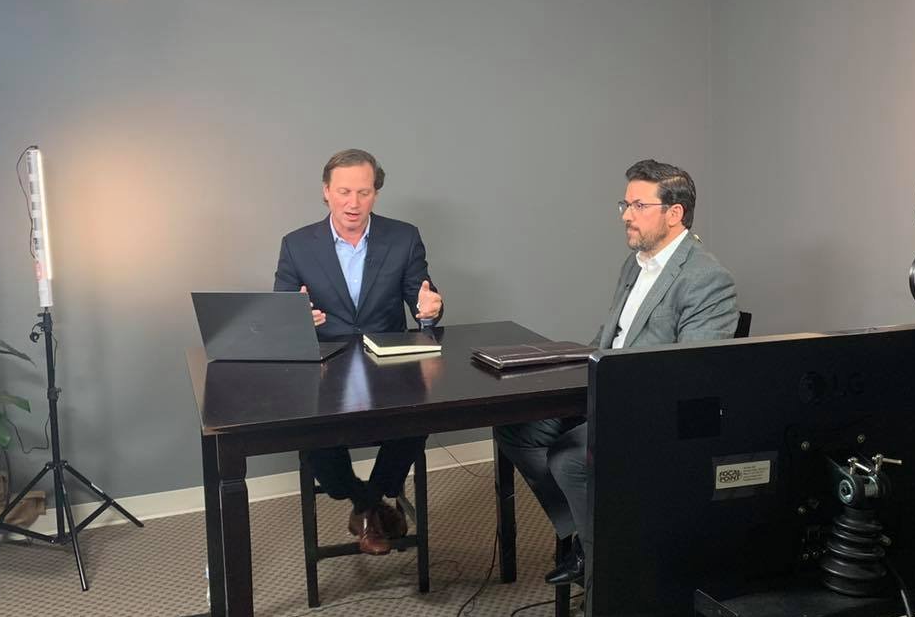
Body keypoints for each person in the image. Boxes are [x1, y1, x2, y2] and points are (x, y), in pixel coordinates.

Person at [494, 159, 738, 586]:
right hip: (605, 390)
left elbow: (693, 378)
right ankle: (589, 538)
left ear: (674, 213)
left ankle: (605, 566)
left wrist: (612, 390)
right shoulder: (636, 262)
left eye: (638, 205)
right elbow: (611, 339)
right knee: (516, 429)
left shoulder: (707, 279)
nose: (626, 215)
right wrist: (561, 368)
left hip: (649, 411)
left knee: (568, 457)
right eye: (625, 204)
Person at [274, 148, 443, 555]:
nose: (353, 203)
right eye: (344, 192)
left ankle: (369, 503)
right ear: (326, 192)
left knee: (419, 416)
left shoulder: (403, 237)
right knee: (311, 431)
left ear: (375, 194)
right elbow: (281, 315)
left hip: (388, 366)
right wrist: (297, 319)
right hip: (325, 371)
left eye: (363, 192)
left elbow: (423, 299)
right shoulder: (296, 245)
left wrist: (430, 310)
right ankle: (369, 503)